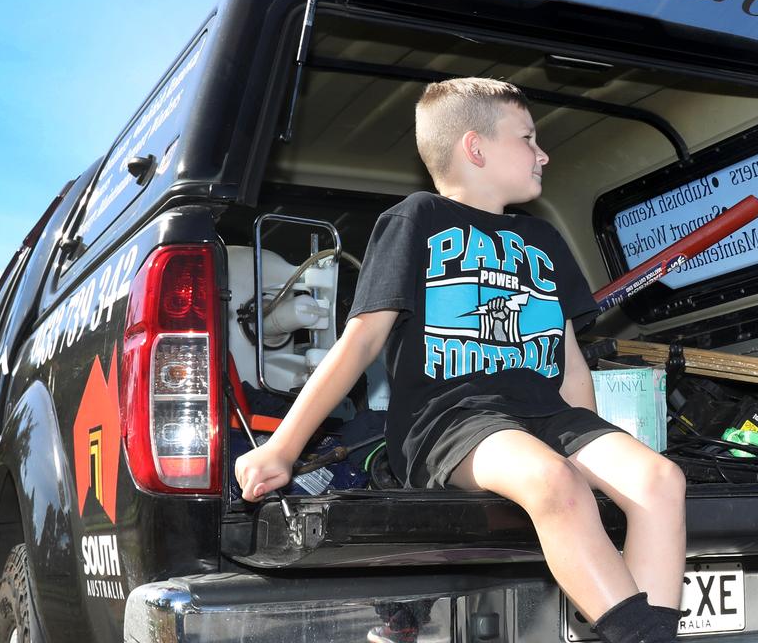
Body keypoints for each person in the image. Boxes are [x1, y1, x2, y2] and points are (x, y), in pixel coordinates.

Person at [235, 78, 686, 643]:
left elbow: (569, 362)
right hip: (453, 419)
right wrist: (282, 447)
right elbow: (361, 341)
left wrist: (589, 446)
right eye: (527, 138)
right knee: (550, 478)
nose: (543, 153)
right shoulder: (416, 218)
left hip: (548, 415)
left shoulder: (542, 237)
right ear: (475, 148)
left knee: (661, 479)